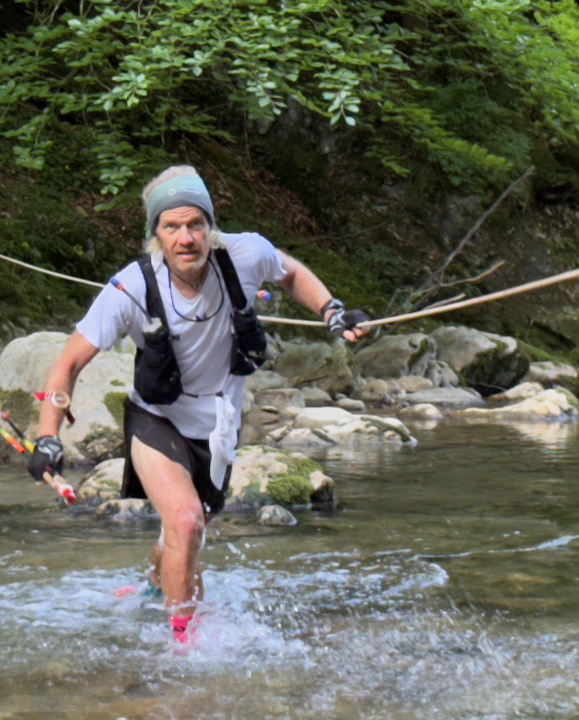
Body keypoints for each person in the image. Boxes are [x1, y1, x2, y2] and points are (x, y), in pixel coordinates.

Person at [26, 165, 368, 644]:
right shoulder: (131, 288)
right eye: (172, 227)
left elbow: (288, 272)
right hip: (156, 419)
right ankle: (184, 646)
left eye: (195, 225)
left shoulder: (244, 254)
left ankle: (153, 584)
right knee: (185, 522)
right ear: (156, 235)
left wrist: (331, 309)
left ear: (210, 227)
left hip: (219, 427)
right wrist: (47, 436)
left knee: (185, 532)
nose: (186, 238)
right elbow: (68, 364)